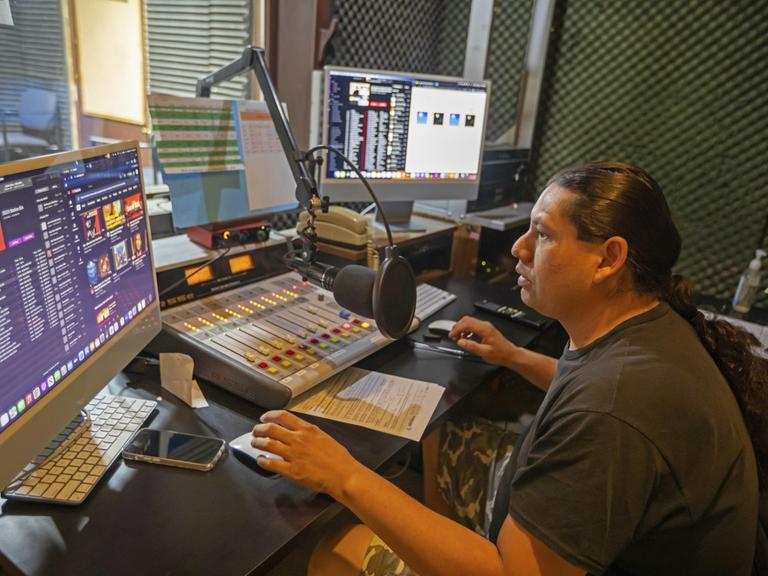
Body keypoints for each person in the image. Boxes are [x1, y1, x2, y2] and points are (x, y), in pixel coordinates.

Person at [251, 162, 765, 575]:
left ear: (608, 259)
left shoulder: (613, 412)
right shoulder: (640, 329)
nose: (518, 247)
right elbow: (582, 386)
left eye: (541, 235)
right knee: (437, 436)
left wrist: (343, 475)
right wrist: (515, 356)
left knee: (333, 549)